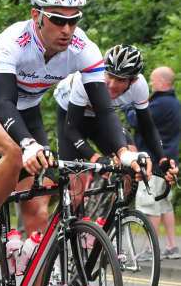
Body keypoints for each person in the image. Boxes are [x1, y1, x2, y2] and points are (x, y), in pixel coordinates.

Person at [0, 0, 147, 286]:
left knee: (38, 218)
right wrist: (29, 144)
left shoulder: (82, 48)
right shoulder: (13, 41)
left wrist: (123, 152)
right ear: (37, 16)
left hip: (28, 114)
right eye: (58, 20)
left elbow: (104, 110)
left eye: (73, 20)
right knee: (16, 153)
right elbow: (4, 102)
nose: (67, 29)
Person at [54, 45, 177, 184]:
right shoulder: (86, 79)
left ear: (133, 81)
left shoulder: (139, 86)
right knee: (75, 184)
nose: (112, 85)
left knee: (132, 158)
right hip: (71, 116)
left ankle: (119, 204)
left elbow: (147, 126)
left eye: (121, 80)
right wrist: (96, 158)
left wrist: (163, 159)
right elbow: (71, 129)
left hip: (102, 118)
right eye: (110, 76)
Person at [125, 66, 180, 259]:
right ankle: (172, 246)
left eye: (153, 80)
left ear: (163, 82)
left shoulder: (159, 104)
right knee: (165, 205)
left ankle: (151, 249)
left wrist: (128, 106)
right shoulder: (175, 103)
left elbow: (135, 120)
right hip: (168, 161)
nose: (150, 84)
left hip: (153, 162)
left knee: (150, 206)